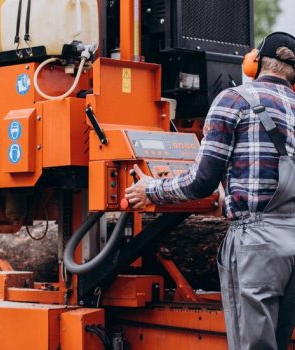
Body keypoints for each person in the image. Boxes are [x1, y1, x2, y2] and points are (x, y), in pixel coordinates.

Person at [125, 32, 295, 350]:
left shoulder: (234, 100)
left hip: (257, 246)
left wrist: (152, 189)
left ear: (253, 63)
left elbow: (200, 181)